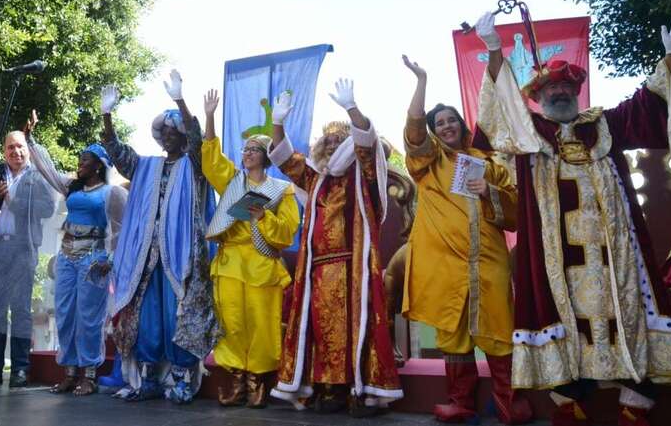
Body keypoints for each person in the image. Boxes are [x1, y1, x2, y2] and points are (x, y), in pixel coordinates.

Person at [472, 12, 671, 426]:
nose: (560, 92)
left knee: (631, 311)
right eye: (551, 87)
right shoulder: (530, 134)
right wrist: (494, 50)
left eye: (567, 85)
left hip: (617, 258)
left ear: (578, 91)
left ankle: (634, 403)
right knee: (561, 316)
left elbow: (649, 104)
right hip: (559, 261)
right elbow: (502, 105)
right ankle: (571, 402)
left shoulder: (605, 125)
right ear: (539, 96)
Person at [399, 55, 532, 424]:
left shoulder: (489, 163)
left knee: (499, 326)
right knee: (452, 333)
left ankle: (509, 400)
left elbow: (515, 213)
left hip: (487, 260)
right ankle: (461, 401)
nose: (445, 127)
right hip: (446, 263)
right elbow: (413, 129)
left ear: (462, 125)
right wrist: (421, 81)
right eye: (438, 123)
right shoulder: (428, 162)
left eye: (450, 120)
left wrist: (490, 191)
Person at [267, 80, 403, 416]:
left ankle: (360, 392)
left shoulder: (362, 173)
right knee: (322, 332)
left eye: (336, 138)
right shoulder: (315, 178)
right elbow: (285, 159)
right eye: (325, 139)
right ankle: (329, 390)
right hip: (318, 271)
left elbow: (368, 145)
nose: (329, 142)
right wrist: (278, 122)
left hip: (352, 268)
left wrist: (351, 109)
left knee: (355, 331)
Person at [102, 72, 218, 405]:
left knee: (177, 315)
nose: (167, 137)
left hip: (181, 256)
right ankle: (150, 377)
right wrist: (107, 117)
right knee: (147, 315)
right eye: (163, 132)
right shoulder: (146, 166)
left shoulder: (194, 165)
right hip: (145, 255)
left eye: (173, 132)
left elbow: (198, 141)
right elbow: (118, 152)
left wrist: (182, 101)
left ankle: (181, 379)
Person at [201, 89, 299, 408]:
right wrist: (210, 116)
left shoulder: (280, 190)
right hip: (230, 262)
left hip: (261, 263)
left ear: (266, 155)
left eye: (255, 149)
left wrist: (263, 216)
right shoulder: (233, 182)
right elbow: (212, 161)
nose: (248, 153)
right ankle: (235, 377)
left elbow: (286, 232)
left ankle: (258, 377)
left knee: (262, 323)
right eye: (245, 149)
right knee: (231, 322)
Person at [24, 111, 127, 396]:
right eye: (80, 160)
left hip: (93, 257)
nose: (80, 163)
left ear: (98, 166)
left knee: (89, 316)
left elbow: (121, 228)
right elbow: (47, 169)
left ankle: (90, 375)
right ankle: (69, 372)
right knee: (66, 313)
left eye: (85, 160)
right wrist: (31, 140)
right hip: (67, 256)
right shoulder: (71, 187)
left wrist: (111, 259)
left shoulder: (112, 193)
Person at [0, 130, 56, 388]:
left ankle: (19, 368)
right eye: (10, 148)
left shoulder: (37, 176)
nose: (15, 152)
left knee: (20, 309)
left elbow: (47, 209)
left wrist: (13, 201)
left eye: (20, 147)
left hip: (23, 249)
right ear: (4, 151)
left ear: (27, 149)